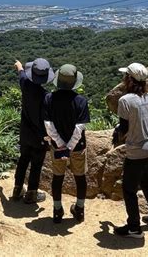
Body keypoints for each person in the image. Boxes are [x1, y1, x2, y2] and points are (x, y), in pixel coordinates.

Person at [113, 63, 148, 238]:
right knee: (145, 182)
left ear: (129, 78)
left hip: (137, 151)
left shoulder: (125, 100)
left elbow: (124, 128)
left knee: (129, 189)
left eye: (125, 75)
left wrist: (116, 133)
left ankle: (134, 227)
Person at [43, 64, 90, 223]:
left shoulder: (49, 98)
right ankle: (80, 210)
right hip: (78, 146)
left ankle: (57, 211)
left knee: (57, 178)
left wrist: (61, 144)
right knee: (80, 178)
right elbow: (79, 127)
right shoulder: (81, 101)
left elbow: (48, 125)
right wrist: (69, 146)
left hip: (57, 147)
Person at [12, 58, 54, 204]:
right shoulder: (47, 97)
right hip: (40, 137)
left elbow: (21, 72)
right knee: (36, 164)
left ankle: (17, 189)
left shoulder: (25, 85)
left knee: (23, 159)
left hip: (25, 133)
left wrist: (19, 65)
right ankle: (31, 193)